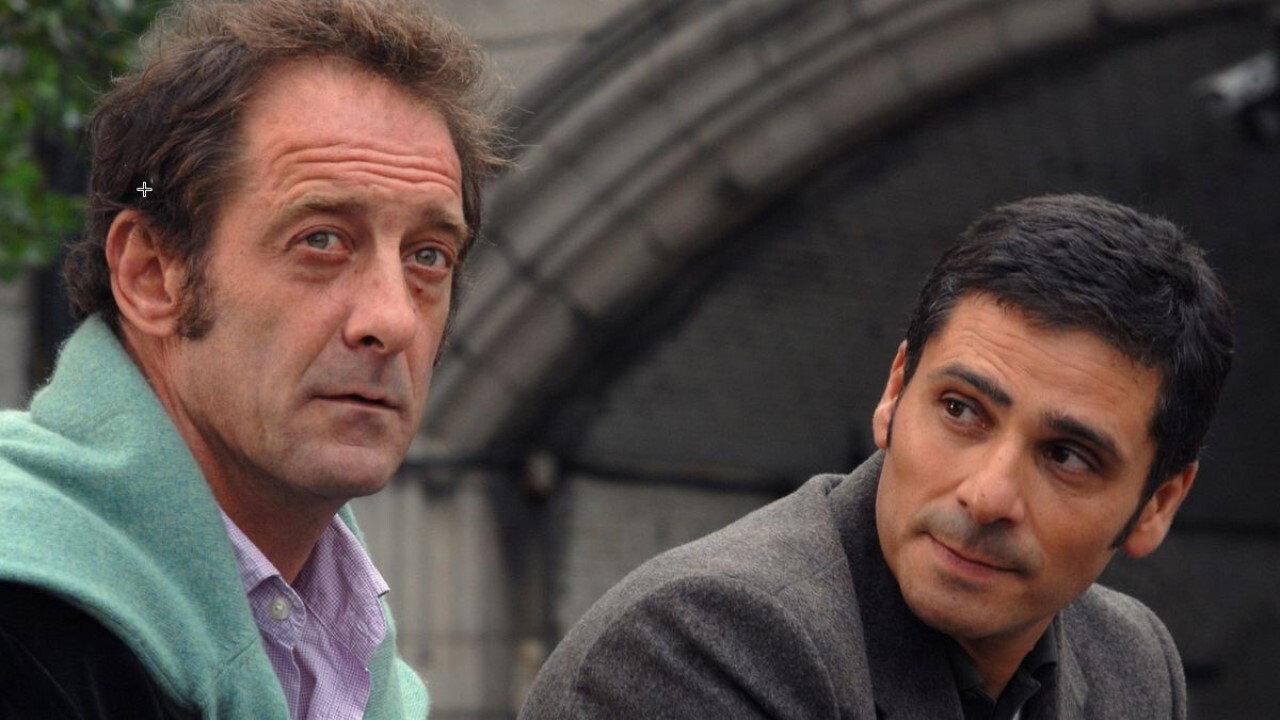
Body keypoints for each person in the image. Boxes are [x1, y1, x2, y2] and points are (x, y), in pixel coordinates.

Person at [519, 194, 1235, 720]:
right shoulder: (714, 637)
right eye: (961, 411)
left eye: (1068, 456)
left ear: (1157, 504)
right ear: (895, 392)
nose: (987, 496)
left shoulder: (1132, 662)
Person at [0, 0, 502, 717]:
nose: (392, 319)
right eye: (321, 240)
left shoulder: (363, 670)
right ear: (151, 276)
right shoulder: (24, 630)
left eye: (428, 256)